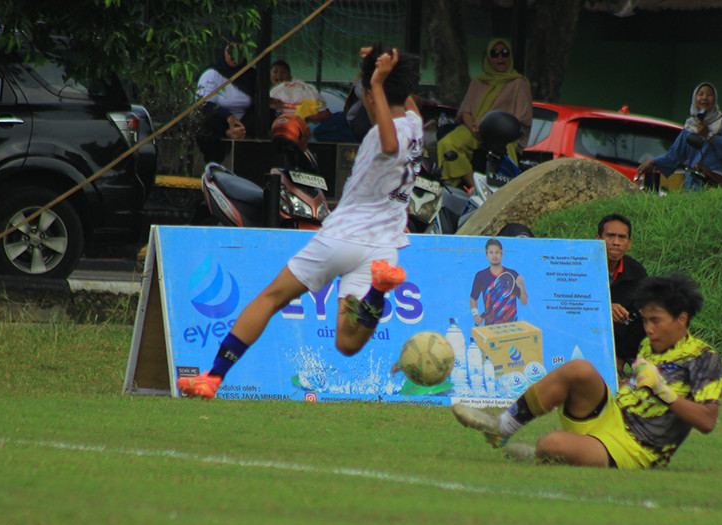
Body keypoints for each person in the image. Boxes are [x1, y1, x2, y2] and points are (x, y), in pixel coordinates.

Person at [178, 45, 423, 400]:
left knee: (270, 298)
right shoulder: (415, 125)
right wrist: (384, 64)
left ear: (374, 94)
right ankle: (376, 293)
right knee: (347, 342)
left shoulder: (389, 133)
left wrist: (378, 81)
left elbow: (387, 143)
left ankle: (214, 376)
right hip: (383, 251)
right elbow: (406, 97)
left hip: (343, 238)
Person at [453, 274, 722, 469]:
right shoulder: (648, 344)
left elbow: (707, 421)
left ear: (682, 319)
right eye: (645, 320)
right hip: (611, 416)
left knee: (552, 444)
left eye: (656, 321)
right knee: (578, 369)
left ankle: (543, 455)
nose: (648, 329)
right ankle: (503, 427)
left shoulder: (703, 357)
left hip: (636, 447)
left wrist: (663, 392)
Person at [437, 38, 532, 189]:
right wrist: (473, 127)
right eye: (495, 54)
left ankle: (508, 195)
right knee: (447, 144)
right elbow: (466, 111)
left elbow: (523, 117)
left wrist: (495, 128)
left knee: (508, 157)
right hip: (474, 129)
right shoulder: (478, 82)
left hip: (503, 134)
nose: (500, 57)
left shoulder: (518, 83)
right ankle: (473, 186)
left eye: (504, 53)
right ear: (489, 58)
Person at [635, 82, 722, 191]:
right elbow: (674, 155)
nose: (705, 98)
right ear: (694, 99)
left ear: (715, 99)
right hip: (693, 184)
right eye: (701, 94)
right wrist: (652, 162)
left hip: (716, 184)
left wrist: (709, 136)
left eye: (709, 94)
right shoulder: (690, 126)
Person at [597, 214, 648, 372]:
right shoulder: (581, 268)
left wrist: (623, 355)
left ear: (629, 244)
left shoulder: (637, 272)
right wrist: (604, 309)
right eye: (610, 236)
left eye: (622, 237)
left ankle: (620, 362)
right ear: (598, 239)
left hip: (619, 339)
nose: (616, 242)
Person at [195, 38, 258, 163]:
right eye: (230, 52)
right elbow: (204, 104)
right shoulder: (212, 73)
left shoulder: (251, 75)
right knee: (208, 122)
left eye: (238, 53)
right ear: (224, 52)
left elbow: (257, 103)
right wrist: (228, 117)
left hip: (244, 122)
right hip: (220, 120)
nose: (234, 57)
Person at [469, 238, 528, 327]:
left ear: (501, 254)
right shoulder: (480, 276)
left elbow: (524, 301)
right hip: (490, 327)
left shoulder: (512, 274)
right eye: (491, 252)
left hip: (511, 327)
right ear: (486, 255)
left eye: (497, 252)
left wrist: (521, 286)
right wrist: (476, 315)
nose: (494, 256)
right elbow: (473, 299)